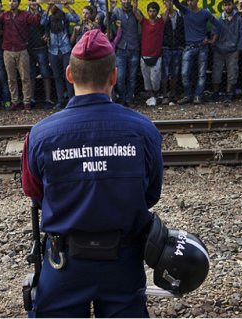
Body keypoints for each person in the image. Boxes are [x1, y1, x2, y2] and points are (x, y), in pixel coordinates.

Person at [21, 28, 163, 317]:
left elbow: (34, 193)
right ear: (114, 76)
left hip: (63, 263)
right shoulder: (143, 131)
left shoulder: (40, 135)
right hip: (123, 261)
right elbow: (150, 193)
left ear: (70, 75)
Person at [173, 0, 223, 105]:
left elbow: (218, 25)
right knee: (184, 73)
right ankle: (188, 95)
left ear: (197, 1)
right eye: (188, 0)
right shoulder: (185, 11)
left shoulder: (205, 13)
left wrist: (212, 39)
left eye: (192, 0)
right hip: (189, 46)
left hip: (202, 47)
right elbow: (174, 2)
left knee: (201, 73)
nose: (189, 3)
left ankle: (197, 96)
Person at [0, 0, 38, 111]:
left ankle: (26, 102)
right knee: (11, 78)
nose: (11, 3)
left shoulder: (25, 15)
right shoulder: (4, 15)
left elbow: (35, 21)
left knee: (25, 77)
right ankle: (15, 101)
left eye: (14, 1)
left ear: (18, 3)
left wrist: (36, 11)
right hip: (8, 50)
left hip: (21, 49)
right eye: (10, 1)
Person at [107, 0, 143, 106]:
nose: (126, 1)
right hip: (121, 49)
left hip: (134, 48)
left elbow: (142, 20)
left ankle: (129, 100)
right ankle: (122, 99)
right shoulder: (116, 12)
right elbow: (105, 23)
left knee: (132, 77)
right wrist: (111, 9)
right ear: (120, 0)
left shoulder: (135, 11)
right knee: (120, 77)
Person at [213, 0, 242, 102]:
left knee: (232, 73)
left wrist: (238, 49)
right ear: (223, 6)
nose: (228, 7)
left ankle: (229, 93)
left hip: (233, 51)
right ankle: (216, 93)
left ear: (233, 5)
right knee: (216, 73)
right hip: (219, 50)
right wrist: (214, 47)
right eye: (225, 5)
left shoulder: (239, 19)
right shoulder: (219, 19)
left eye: (229, 4)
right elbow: (214, 34)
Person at [139, 1, 164, 106]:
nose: (152, 13)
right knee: (147, 79)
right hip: (144, 56)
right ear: (147, 12)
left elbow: (168, 9)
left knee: (155, 79)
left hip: (157, 56)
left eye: (154, 11)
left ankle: (155, 95)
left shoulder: (161, 22)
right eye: (150, 11)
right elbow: (135, 10)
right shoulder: (143, 21)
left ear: (157, 12)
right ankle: (151, 97)